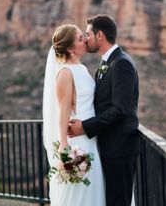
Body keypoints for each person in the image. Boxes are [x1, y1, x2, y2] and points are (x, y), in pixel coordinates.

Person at [68, 14, 140, 206]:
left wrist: (85, 127)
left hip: (120, 148)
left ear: (100, 35)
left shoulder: (122, 64)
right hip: (109, 147)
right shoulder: (106, 64)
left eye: (88, 34)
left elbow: (120, 110)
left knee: (119, 202)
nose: (85, 39)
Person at [42, 24, 106, 206]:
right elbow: (62, 111)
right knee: (78, 195)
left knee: (93, 193)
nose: (85, 40)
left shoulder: (82, 69)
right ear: (70, 49)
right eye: (80, 39)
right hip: (78, 143)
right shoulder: (64, 73)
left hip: (90, 138)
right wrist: (64, 146)